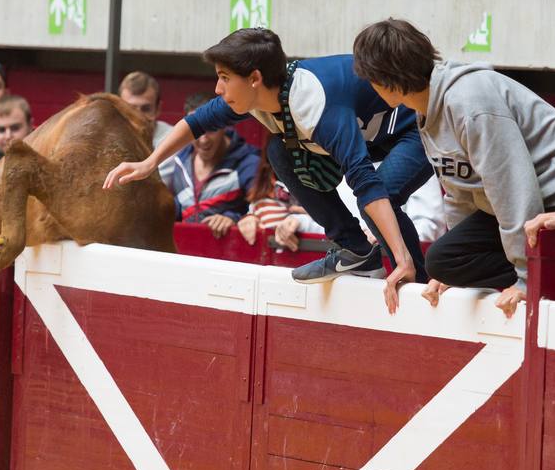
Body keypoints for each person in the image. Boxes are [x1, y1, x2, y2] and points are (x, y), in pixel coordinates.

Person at [104, 28, 433, 314]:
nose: (218, 89)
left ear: (255, 79)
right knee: (279, 150)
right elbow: (196, 121)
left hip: (412, 129)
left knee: (379, 196)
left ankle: (414, 280)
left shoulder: (316, 103)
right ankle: (356, 250)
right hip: (371, 133)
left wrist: (400, 257)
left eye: (223, 78)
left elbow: (364, 181)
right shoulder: (253, 95)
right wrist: (149, 162)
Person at [352, 18, 555, 318]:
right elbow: (459, 191)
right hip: (529, 197)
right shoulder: (427, 110)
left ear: (385, 81)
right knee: (443, 262)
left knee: (457, 255)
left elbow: (513, 187)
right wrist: (457, 275)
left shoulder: (468, 102)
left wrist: (527, 279)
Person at [163, 93, 260, 237]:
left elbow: (265, 210)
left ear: (224, 126)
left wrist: (233, 218)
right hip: (185, 252)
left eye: (210, 129)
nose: (203, 139)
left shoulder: (249, 162)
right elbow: (177, 211)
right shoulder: (179, 162)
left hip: (229, 255)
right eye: (196, 131)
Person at [0, 93, 34, 173]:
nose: (8, 136)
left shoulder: (50, 155)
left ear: (30, 125)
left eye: (15, 128)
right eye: (1, 130)